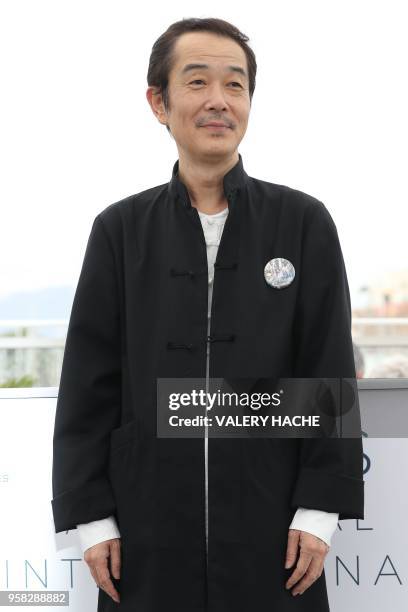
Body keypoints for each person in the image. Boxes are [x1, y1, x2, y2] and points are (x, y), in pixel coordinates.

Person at [51, 17, 364, 612]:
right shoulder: (119, 231)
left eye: (236, 85)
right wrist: (92, 517)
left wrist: (320, 510)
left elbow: (327, 371)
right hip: (143, 527)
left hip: (275, 526)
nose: (219, 100)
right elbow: (88, 383)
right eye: (197, 82)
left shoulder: (303, 223)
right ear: (158, 102)